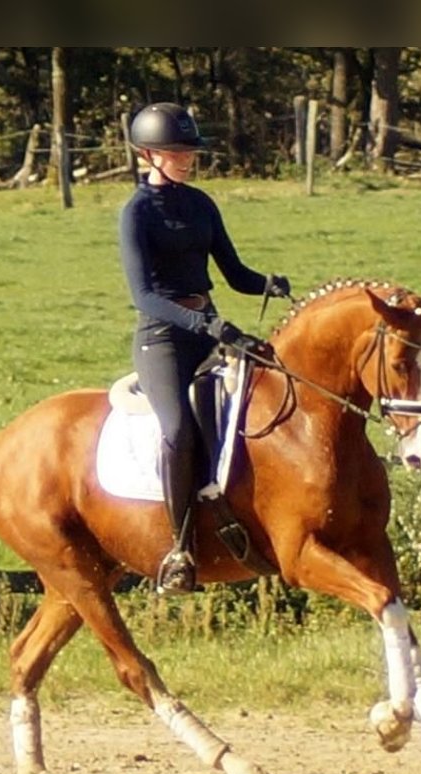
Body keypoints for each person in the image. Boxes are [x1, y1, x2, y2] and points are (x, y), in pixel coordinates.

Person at [119, 101, 290, 595]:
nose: (187, 158)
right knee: (177, 429)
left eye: (190, 150)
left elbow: (233, 274)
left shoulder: (201, 204)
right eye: (177, 151)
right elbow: (143, 296)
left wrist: (268, 284)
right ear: (148, 154)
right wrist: (204, 324)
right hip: (163, 338)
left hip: (208, 326)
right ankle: (180, 549)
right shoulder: (135, 213)